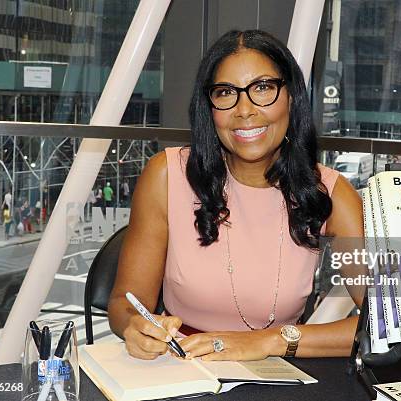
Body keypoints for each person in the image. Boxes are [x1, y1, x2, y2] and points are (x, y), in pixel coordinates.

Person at [108, 30, 363, 362]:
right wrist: (135, 326)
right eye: (226, 93)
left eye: (262, 89)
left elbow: (391, 323)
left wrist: (270, 342)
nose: (244, 110)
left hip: (276, 371)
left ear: (291, 97)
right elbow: (124, 303)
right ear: (209, 107)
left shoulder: (331, 192)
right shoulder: (166, 175)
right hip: (181, 369)